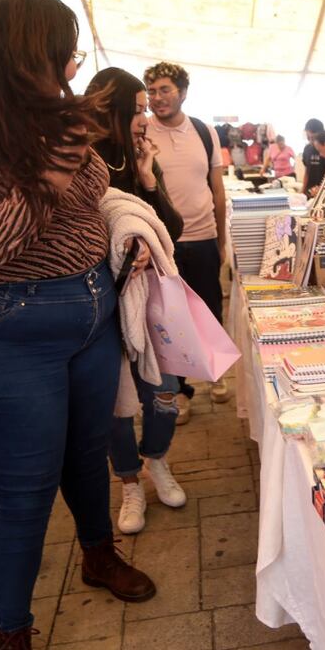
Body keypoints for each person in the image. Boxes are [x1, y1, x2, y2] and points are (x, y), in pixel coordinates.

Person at [0, 0, 156, 648]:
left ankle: (98, 555)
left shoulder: (48, 119)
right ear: (26, 52)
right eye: (62, 54)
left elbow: (95, 187)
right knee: (24, 487)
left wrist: (72, 158)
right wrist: (54, 163)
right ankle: (10, 631)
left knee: (85, 454)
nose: (70, 69)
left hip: (87, 309)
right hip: (0, 324)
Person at [84, 67, 187, 535]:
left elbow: (174, 229)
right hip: (100, 303)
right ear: (114, 109)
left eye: (148, 108)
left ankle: (157, 460)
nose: (146, 117)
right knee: (116, 402)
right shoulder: (79, 159)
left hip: (152, 303)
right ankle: (128, 480)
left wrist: (147, 179)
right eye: (139, 109)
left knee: (165, 390)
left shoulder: (140, 158)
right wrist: (120, 245)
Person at [143, 61, 229, 420]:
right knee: (172, 317)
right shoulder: (142, 132)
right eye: (151, 91)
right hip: (164, 244)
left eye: (164, 90)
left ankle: (216, 373)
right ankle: (181, 390)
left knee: (209, 309)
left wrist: (221, 239)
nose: (157, 97)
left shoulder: (204, 130)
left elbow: (217, 189)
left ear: (182, 92)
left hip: (204, 235)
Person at [301, 118, 325, 196]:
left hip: (323, 193)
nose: (311, 141)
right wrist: (302, 191)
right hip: (309, 192)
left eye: (313, 137)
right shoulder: (307, 149)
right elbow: (307, 172)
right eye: (308, 137)